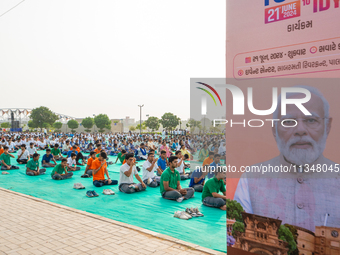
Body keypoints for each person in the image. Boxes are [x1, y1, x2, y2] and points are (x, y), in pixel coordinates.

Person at [234, 86, 340, 231]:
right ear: (274, 130)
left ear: (327, 126)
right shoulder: (251, 179)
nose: (300, 130)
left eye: (311, 120)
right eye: (288, 121)